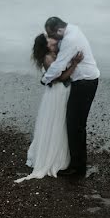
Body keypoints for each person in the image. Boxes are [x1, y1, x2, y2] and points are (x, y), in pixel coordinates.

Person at [15, 35, 83, 183]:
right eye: (49, 39)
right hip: (57, 93)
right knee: (57, 122)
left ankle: (64, 154)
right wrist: (75, 64)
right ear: (45, 45)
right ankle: (55, 157)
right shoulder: (47, 58)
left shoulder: (55, 54)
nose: (52, 39)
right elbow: (61, 78)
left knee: (63, 122)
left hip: (62, 91)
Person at [42, 16, 100, 178]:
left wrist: (45, 79)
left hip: (85, 83)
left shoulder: (70, 39)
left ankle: (78, 168)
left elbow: (59, 65)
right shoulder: (73, 29)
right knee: (75, 125)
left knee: (76, 126)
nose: (53, 38)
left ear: (60, 30)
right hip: (84, 81)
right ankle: (77, 164)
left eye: (53, 34)